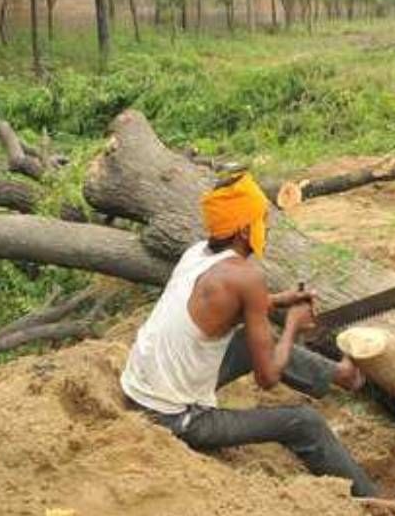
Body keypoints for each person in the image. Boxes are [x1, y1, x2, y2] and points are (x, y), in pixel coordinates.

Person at [120, 171, 379, 497]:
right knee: (303, 422)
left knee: (247, 340)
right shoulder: (246, 277)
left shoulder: (199, 253)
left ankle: (341, 375)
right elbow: (267, 378)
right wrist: (291, 327)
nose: (267, 228)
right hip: (174, 419)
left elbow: (220, 309)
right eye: (263, 220)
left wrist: (276, 301)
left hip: (139, 391)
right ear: (244, 230)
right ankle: (377, 502)